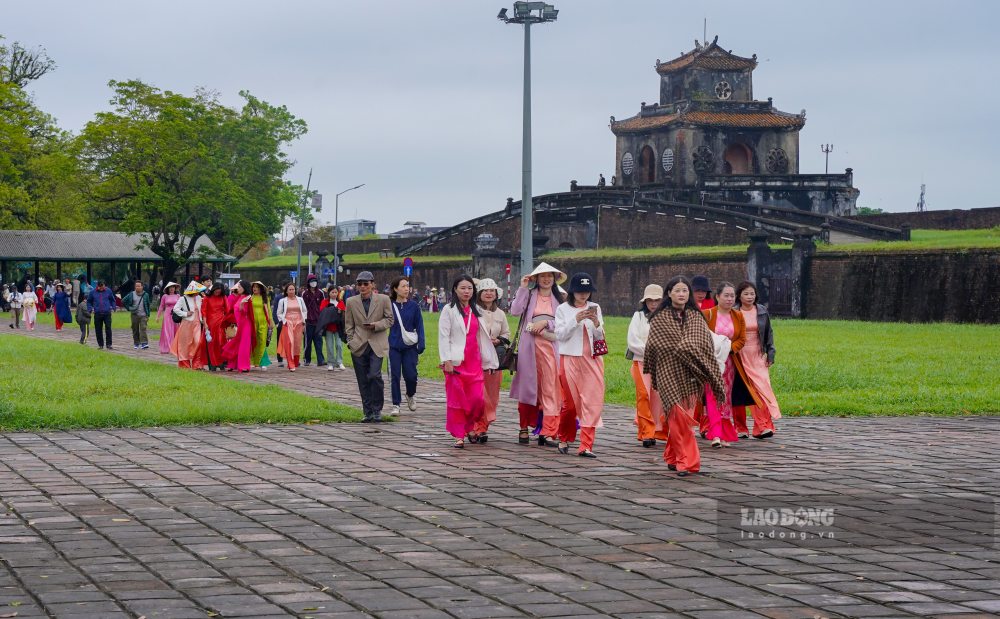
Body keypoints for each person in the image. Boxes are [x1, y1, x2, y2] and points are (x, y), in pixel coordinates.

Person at [643, 276, 726, 476]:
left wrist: (686, 348)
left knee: (679, 419)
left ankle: (672, 456)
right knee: (678, 418)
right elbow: (654, 346)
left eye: (685, 291)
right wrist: (682, 347)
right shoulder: (659, 318)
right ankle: (686, 461)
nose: (681, 294)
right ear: (669, 293)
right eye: (677, 290)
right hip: (667, 371)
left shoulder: (696, 317)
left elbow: (703, 344)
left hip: (691, 373)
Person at [509, 262, 567, 446]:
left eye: (549, 276)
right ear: (536, 279)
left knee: (551, 388)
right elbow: (515, 311)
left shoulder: (560, 298)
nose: (546, 279)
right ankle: (524, 426)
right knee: (528, 388)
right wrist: (522, 288)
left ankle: (549, 430)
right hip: (530, 348)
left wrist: (546, 324)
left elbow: (565, 322)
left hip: (551, 347)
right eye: (542, 276)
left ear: (554, 278)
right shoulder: (529, 295)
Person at [439, 275, 498, 448]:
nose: (466, 291)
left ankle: (470, 425)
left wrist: (490, 360)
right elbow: (444, 337)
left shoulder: (476, 311)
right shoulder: (448, 310)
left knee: (477, 400)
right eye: (463, 288)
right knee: (457, 400)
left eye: (470, 288)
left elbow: (483, 338)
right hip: (456, 363)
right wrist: (446, 360)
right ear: (455, 290)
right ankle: (459, 435)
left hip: (474, 362)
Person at [553, 273, 606, 458]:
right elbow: (560, 335)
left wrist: (596, 323)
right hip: (570, 359)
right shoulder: (562, 309)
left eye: (587, 291)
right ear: (572, 291)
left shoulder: (595, 307)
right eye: (579, 291)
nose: (583, 295)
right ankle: (564, 437)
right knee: (571, 404)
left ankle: (586, 445)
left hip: (592, 359)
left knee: (592, 401)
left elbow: (600, 335)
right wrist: (576, 319)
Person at [703, 281, 762, 447]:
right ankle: (715, 434)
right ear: (717, 297)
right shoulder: (707, 314)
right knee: (712, 394)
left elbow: (741, 339)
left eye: (732, 296)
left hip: (730, 362)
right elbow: (700, 336)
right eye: (726, 295)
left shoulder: (738, 316)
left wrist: (729, 349)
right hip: (711, 361)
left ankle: (724, 433)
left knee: (726, 396)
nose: (730, 299)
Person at [344, 271, 393, 423]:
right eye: (360, 284)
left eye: (366, 283)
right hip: (358, 344)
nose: (363, 287)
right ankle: (368, 412)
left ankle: (377, 409)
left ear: (372, 284)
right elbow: (348, 324)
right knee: (362, 380)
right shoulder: (351, 301)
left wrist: (376, 325)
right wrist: (351, 341)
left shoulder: (384, 299)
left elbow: (390, 319)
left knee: (374, 375)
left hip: (377, 343)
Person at [735, 281, 780, 438]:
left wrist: (771, 353)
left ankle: (762, 426)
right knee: (745, 391)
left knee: (762, 389)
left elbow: (769, 332)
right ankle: (746, 427)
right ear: (739, 296)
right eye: (746, 294)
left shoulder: (761, 310)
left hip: (758, 354)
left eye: (752, 294)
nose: (749, 297)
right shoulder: (734, 311)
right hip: (740, 355)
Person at [627, 284, 667, 448]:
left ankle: (658, 429)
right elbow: (632, 340)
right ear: (645, 301)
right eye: (650, 300)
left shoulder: (667, 316)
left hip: (662, 364)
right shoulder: (638, 316)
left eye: (657, 300)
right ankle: (646, 432)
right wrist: (651, 350)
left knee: (658, 398)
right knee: (644, 396)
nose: (653, 304)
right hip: (641, 362)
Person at [473, 278, 510, 443]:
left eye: (492, 291)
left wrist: (499, 340)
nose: (489, 293)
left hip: (495, 359)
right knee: (479, 394)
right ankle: (475, 427)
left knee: (492, 395)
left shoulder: (500, 313)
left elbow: (507, 334)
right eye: (485, 290)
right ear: (479, 293)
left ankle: (483, 427)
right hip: (476, 358)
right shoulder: (473, 311)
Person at [388, 276, 425, 415]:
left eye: (407, 286)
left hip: (410, 346)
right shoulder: (389, 305)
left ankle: (410, 394)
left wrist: (421, 343)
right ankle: (396, 404)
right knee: (395, 375)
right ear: (395, 289)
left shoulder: (414, 306)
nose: (406, 289)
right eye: (403, 286)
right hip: (394, 346)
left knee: (411, 375)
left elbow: (419, 325)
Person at [170, 281, 207, 369]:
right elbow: (175, 309)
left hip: (197, 323)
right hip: (186, 323)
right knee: (185, 344)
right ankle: (184, 364)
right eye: (197, 290)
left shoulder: (199, 298)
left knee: (198, 342)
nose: (198, 292)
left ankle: (196, 364)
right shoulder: (183, 298)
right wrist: (185, 314)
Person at [276, 282, 307, 372]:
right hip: (287, 323)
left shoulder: (300, 300)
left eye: (293, 289)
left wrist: (303, 320)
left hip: (298, 323)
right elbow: (279, 313)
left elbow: (304, 310)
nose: (291, 291)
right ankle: (290, 363)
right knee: (289, 342)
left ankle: (296, 360)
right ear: (286, 291)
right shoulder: (283, 301)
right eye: (289, 289)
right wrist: (284, 321)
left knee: (297, 343)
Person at [201, 283, 230, 370]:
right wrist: (205, 324)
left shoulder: (223, 297)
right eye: (216, 290)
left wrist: (229, 321)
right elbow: (204, 312)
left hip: (221, 324)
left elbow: (227, 310)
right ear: (213, 289)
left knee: (221, 343)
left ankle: (221, 362)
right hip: (210, 324)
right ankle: (212, 363)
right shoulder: (207, 298)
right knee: (211, 344)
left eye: (219, 291)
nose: (217, 292)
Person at [317, 287, 347, 371]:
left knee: (339, 345)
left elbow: (343, 313)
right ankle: (330, 363)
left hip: (338, 328)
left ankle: (339, 362)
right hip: (328, 327)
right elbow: (322, 312)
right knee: (329, 346)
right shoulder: (324, 302)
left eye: (335, 292)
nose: (334, 294)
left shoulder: (340, 302)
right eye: (332, 292)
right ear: (329, 293)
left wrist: (340, 312)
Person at [301, 273, 326, 367]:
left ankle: (321, 360)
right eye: (311, 281)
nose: (313, 283)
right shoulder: (304, 294)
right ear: (308, 282)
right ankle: (307, 359)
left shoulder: (320, 293)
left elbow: (323, 306)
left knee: (319, 341)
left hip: (318, 321)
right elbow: (302, 307)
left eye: (314, 281)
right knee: (308, 341)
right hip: (308, 321)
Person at [121, 281, 151, 350]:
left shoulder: (146, 295)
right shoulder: (131, 294)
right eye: (136, 286)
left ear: (142, 286)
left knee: (143, 328)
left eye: (139, 286)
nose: (137, 287)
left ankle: (144, 343)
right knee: (135, 329)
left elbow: (148, 305)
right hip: (134, 315)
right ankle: (136, 343)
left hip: (144, 315)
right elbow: (123, 301)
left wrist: (148, 314)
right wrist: (128, 308)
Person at [87, 280, 117, 349]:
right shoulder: (92, 292)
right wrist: (90, 309)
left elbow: (112, 300)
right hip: (97, 313)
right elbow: (89, 301)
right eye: (100, 287)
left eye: (102, 286)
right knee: (98, 329)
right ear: (97, 286)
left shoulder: (108, 291)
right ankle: (100, 345)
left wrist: (114, 307)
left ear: (104, 285)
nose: (101, 288)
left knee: (108, 328)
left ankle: (109, 344)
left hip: (107, 313)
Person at [156, 282, 181, 354]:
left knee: (175, 330)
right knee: (168, 330)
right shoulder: (165, 296)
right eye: (170, 287)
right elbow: (161, 306)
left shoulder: (178, 296)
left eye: (173, 287)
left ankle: (175, 347)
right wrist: (158, 316)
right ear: (168, 289)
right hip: (167, 314)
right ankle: (168, 347)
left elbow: (181, 305)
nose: (172, 288)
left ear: (175, 288)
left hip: (176, 315)